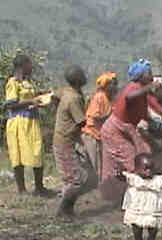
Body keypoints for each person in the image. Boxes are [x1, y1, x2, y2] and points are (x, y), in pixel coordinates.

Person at [100, 59, 160, 201]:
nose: (151, 75)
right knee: (134, 161)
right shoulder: (134, 87)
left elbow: (141, 114)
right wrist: (151, 86)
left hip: (128, 129)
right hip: (115, 130)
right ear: (140, 76)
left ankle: (142, 190)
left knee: (145, 153)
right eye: (148, 73)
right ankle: (136, 198)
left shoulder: (142, 92)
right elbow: (129, 97)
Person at [53, 65, 99, 219]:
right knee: (76, 180)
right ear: (79, 79)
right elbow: (81, 122)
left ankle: (67, 205)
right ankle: (63, 210)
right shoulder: (73, 99)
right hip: (66, 142)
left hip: (67, 139)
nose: (86, 75)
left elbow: (55, 95)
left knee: (88, 178)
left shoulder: (68, 91)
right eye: (83, 74)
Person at [3, 54, 52, 196]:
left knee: (37, 152)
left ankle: (39, 187)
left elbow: (29, 97)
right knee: (18, 154)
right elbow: (11, 105)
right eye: (29, 64)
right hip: (18, 123)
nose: (31, 67)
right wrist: (31, 102)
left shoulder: (27, 82)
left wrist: (41, 97)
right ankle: (22, 189)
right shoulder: (13, 82)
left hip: (32, 121)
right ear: (22, 66)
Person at [118, 153, 162, 240]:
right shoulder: (134, 178)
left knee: (153, 228)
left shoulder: (158, 179)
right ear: (137, 169)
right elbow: (122, 177)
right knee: (137, 228)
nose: (149, 171)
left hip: (153, 209)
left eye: (151, 168)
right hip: (137, 209)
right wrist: (119, 172)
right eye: (145, 168)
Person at [81, 72, 118, 182]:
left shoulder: (109, 98)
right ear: (106, 86)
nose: (116, 87)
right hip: (92, 134)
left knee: (101, 163)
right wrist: (110, 115)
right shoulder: (99, 97)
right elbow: (95, 117)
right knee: (97, 164)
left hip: (99, 135)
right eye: (113, 84)